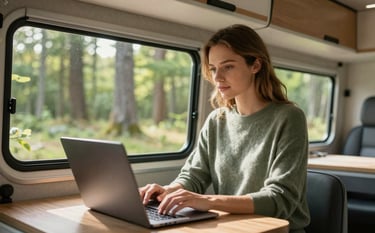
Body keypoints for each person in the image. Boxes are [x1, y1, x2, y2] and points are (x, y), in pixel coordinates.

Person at [139, 24, 310, 232]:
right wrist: (168, 191)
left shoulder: (289, 117)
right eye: (213, 69)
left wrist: (208, 201)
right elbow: (194, 176)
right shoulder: (216, 120)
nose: (217, 77)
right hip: (233, 227)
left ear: (255, 65)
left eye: (228, 66)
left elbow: (280, 199)